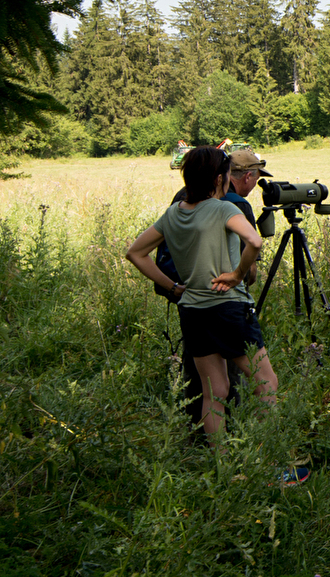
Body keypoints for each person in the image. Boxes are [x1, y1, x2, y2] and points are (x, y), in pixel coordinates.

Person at [124, 149, 299, 479]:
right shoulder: (224, 209)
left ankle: (225, 468)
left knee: (213, 391)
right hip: (229, 308)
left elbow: (135, 252)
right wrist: (235, 275)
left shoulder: (174, 213)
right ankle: (272, 466)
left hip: (192, 312)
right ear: (220, 178)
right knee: (267, 383)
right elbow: (255, 242)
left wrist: (176, 288)